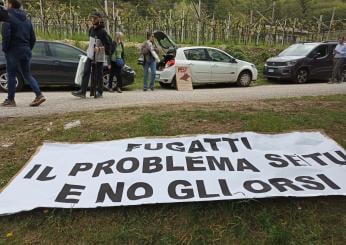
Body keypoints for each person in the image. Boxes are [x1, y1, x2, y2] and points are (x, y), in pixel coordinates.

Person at [1, 0, 46, 107]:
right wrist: (28, 49)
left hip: (13, 50)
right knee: (27, 74)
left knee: (11, 75)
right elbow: (33, 38)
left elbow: (6, 34)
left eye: (6, 3)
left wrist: (5, 48)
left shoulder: (7, 15)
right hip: (25, 50)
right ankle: (39, 95)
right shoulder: (26, 19)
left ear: (10, 4)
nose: (5, 5)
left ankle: (10, 100)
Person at [72, 12, 111, 99]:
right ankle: (82, 91)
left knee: (98, 74)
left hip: (99, 56)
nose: (93, 20)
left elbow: (108, 45)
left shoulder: (103, 32)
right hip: (90, 55)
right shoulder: (91, 30)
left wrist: (99, 48)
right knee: (86, 71)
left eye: (95, 18)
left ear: (99, 19)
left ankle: (100, 92)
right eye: (92, 18)